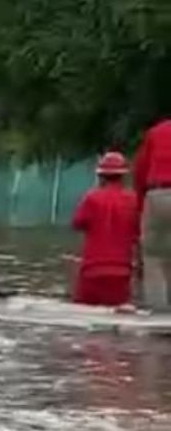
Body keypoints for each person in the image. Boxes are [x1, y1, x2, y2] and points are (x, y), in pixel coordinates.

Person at [72, 152, 141, 307]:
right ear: (123, 176)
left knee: (84, 315)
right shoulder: (134, 200)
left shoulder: (91, 198)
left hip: (91, 270)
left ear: (100, 176)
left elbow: (77, 223)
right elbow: (139, 233)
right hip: (122, 272)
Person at [134, 119, 171, 310]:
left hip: (157, 194)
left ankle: (159, 314)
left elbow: (140, 171)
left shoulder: (157, 132)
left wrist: (140, 205)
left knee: (154, 257)